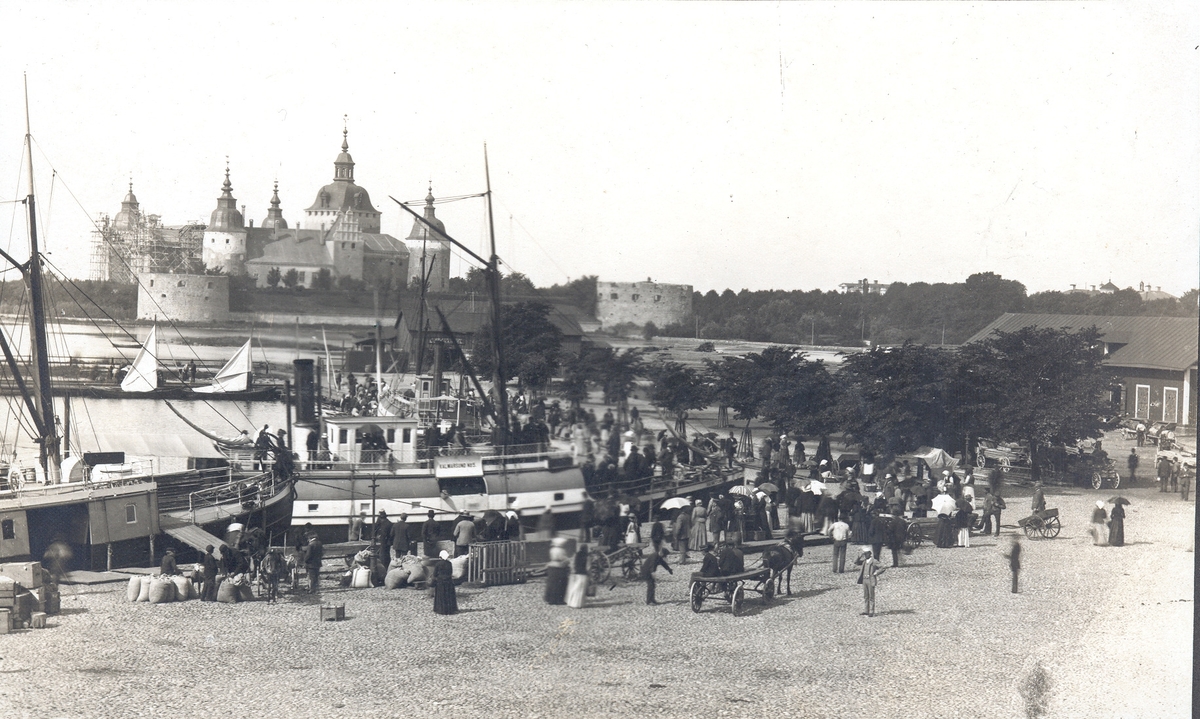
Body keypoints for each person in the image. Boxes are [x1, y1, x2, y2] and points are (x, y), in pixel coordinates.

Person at [854, 549, 886, 617]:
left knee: (871, 596)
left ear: (870, 553)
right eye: (864, 554)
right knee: (866, 596)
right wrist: (859, 556)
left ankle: (871, 611)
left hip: (870, 580)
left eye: (866, 554)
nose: (865, 555)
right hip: (864, 580)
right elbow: (855, 563)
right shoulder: (864, 561)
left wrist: (876, 573)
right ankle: (866, 610)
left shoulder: (874, 561)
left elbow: (883, 567)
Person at [432, 550, 458, 615]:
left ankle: (441, 610)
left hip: (440, 581)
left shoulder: (438, 564)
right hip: (449, 581)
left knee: (441, 596)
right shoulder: (449, 563)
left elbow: (435, 574)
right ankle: (450, 610)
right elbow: (450, 572)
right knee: (448, 596)